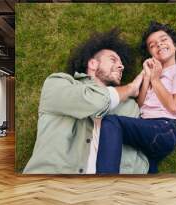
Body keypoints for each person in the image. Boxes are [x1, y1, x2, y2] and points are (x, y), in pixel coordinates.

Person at [23, 29, 149, 174]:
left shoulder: (129, 107)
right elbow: (96, 102)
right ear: (93, 63)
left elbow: (139, 150)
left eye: (121, 64)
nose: (121, 66)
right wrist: (131, 88)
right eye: (113, 60)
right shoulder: (58, 83)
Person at [96, 21, 176, 174]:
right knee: (146, 171)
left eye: (163, 40)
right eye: (153, 45)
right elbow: (140, 105)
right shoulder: (152, 75)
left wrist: (155, 80)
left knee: (111, 122)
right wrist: (147, 77)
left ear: (175, 46)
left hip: (165, 127)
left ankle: (106, 181)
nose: (159, 45)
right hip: (148, 131)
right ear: (151, 54)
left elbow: (175, 107)